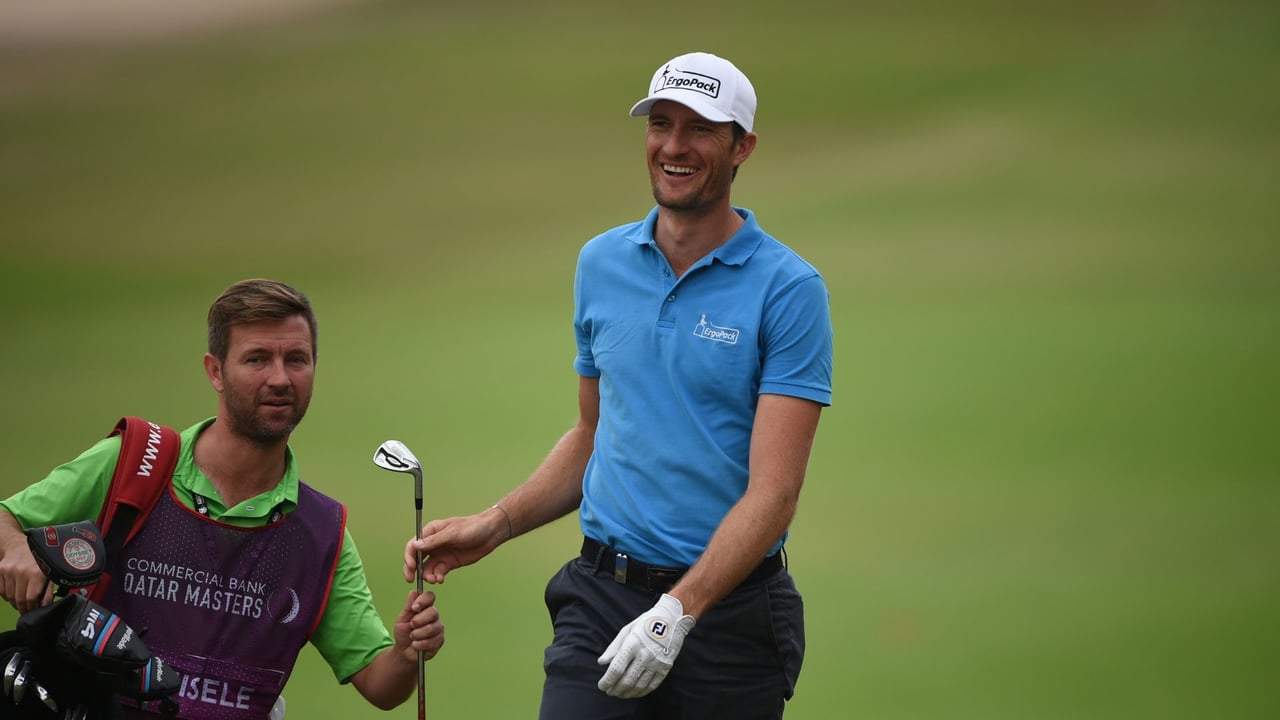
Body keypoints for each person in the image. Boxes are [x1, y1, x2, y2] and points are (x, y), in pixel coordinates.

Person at [404, 51, 833, 718]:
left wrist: (676, 613)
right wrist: (497, 523)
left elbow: (775, 493)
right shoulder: (602, 263)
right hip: (601, 600)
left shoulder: (789, 289)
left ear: (742, 145)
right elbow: (592, 433)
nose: (674, 146)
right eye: (661, 124)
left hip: (729, 619)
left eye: (700, 129)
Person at [0, 278, 444, 719]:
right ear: (215, 371)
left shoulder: (322, 533)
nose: (280, 378)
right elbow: (5, 522)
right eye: (256, 359)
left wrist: (406, 652)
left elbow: (379, 684)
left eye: (296, 360)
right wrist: (18, 547)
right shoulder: (135, 463)